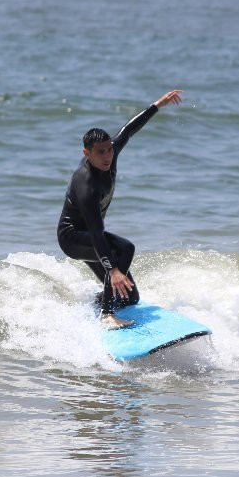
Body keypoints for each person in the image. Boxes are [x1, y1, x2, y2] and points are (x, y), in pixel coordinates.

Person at [57, 90, 183, 329]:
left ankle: (94, 306)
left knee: (130, 296)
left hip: (92, 238)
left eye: (109, 150)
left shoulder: (110, 153)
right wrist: (113, 270)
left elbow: (128, 130)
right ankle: (107, 314)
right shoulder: (86, 185)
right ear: (87, 153)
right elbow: (96, 233)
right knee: (124, 248)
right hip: (73, 238)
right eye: (100, 152)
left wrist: (157, 105)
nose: (107, 156)